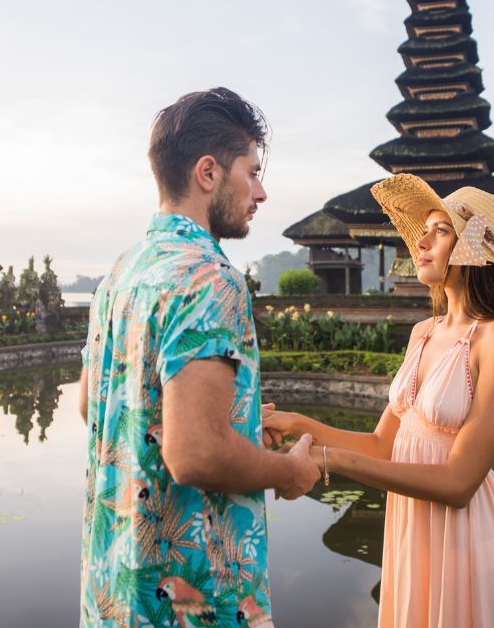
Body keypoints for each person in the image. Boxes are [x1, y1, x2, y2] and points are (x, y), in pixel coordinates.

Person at [78, 88, 320, 627]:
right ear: (208, 173)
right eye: (251, 172)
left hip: (115, 594)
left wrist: (238, 427)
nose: (260, 193)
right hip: (196, 605)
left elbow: (93, 406)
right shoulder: (211, 279)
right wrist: (288, 471)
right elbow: (195, 456)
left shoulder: (120, 275)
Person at [264, 173, 494, 627]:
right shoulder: (423, 332)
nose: (420, 242)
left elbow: (458, 484)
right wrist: (299, 423)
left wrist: (325, 459)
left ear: (477, 250)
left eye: (441, 232)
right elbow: (382, 445)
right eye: (424, 231)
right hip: (412, 534)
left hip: (471, 540)